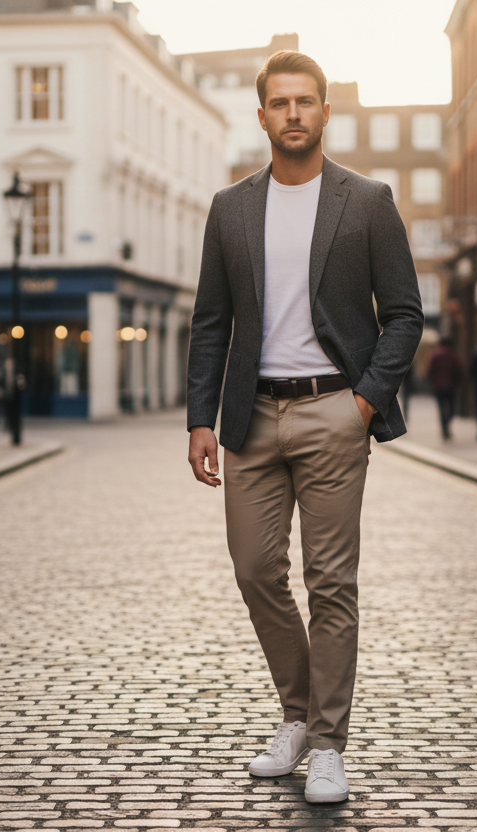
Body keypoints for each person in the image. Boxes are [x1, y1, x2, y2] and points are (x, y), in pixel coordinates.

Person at [186, 50, 423, 804]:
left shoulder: (369, 200)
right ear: (260, 116)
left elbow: (406, 315)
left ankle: (325, 742)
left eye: (306, 102)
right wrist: (200, 419)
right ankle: (295, 714)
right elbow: (210, 322)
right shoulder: (230, 208)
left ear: (325, 113)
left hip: (332, 410)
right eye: (280, 102)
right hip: (249, 417)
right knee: (257, 571)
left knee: (332, 583)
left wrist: (362, 403)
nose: (293, 113)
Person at [427, 337, 465, 439]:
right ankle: (447, 422)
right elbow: (459, 371)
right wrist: (457, 383)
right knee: (451, 408)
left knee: (441, 408)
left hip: (438, 387)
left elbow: (430, 371)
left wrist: (433, 382)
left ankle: (444, 427)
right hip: (451, 387)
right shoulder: (454, 356)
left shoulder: (436, 355)